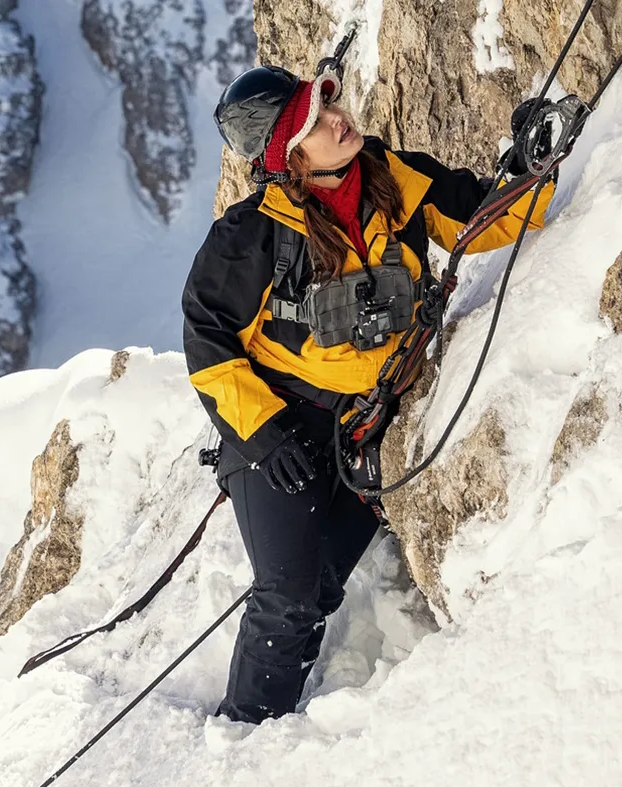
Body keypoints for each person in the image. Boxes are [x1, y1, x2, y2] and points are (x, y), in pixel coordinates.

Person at [183, 63, 556, 726]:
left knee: (320, 587)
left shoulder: (390, 177)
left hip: (365, 421)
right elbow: (208, 343)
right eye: (315, 120)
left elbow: (485, 218)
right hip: (280, 431)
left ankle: (266, 724)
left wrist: (534, 165)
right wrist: (265, 438)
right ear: (290, 158)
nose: (338, 117)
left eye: (329, 102)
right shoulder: (251, 237)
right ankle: (245, 728)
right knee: (288, 593)